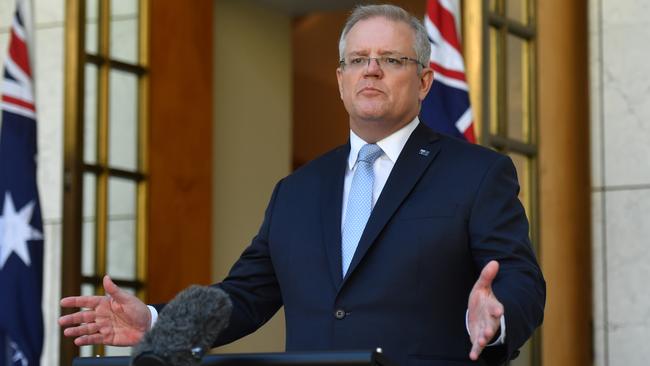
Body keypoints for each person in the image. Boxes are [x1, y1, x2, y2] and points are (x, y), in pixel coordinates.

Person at [59, 4, 545, 366]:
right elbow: (244, 297)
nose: (371, 69)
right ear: (340, 80)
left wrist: (497, 316)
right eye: (357, 60)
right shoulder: (296, 190)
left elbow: (521, 280)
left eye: (391, 59)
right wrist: (154, 320)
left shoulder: (477, 172)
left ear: (424, 81)